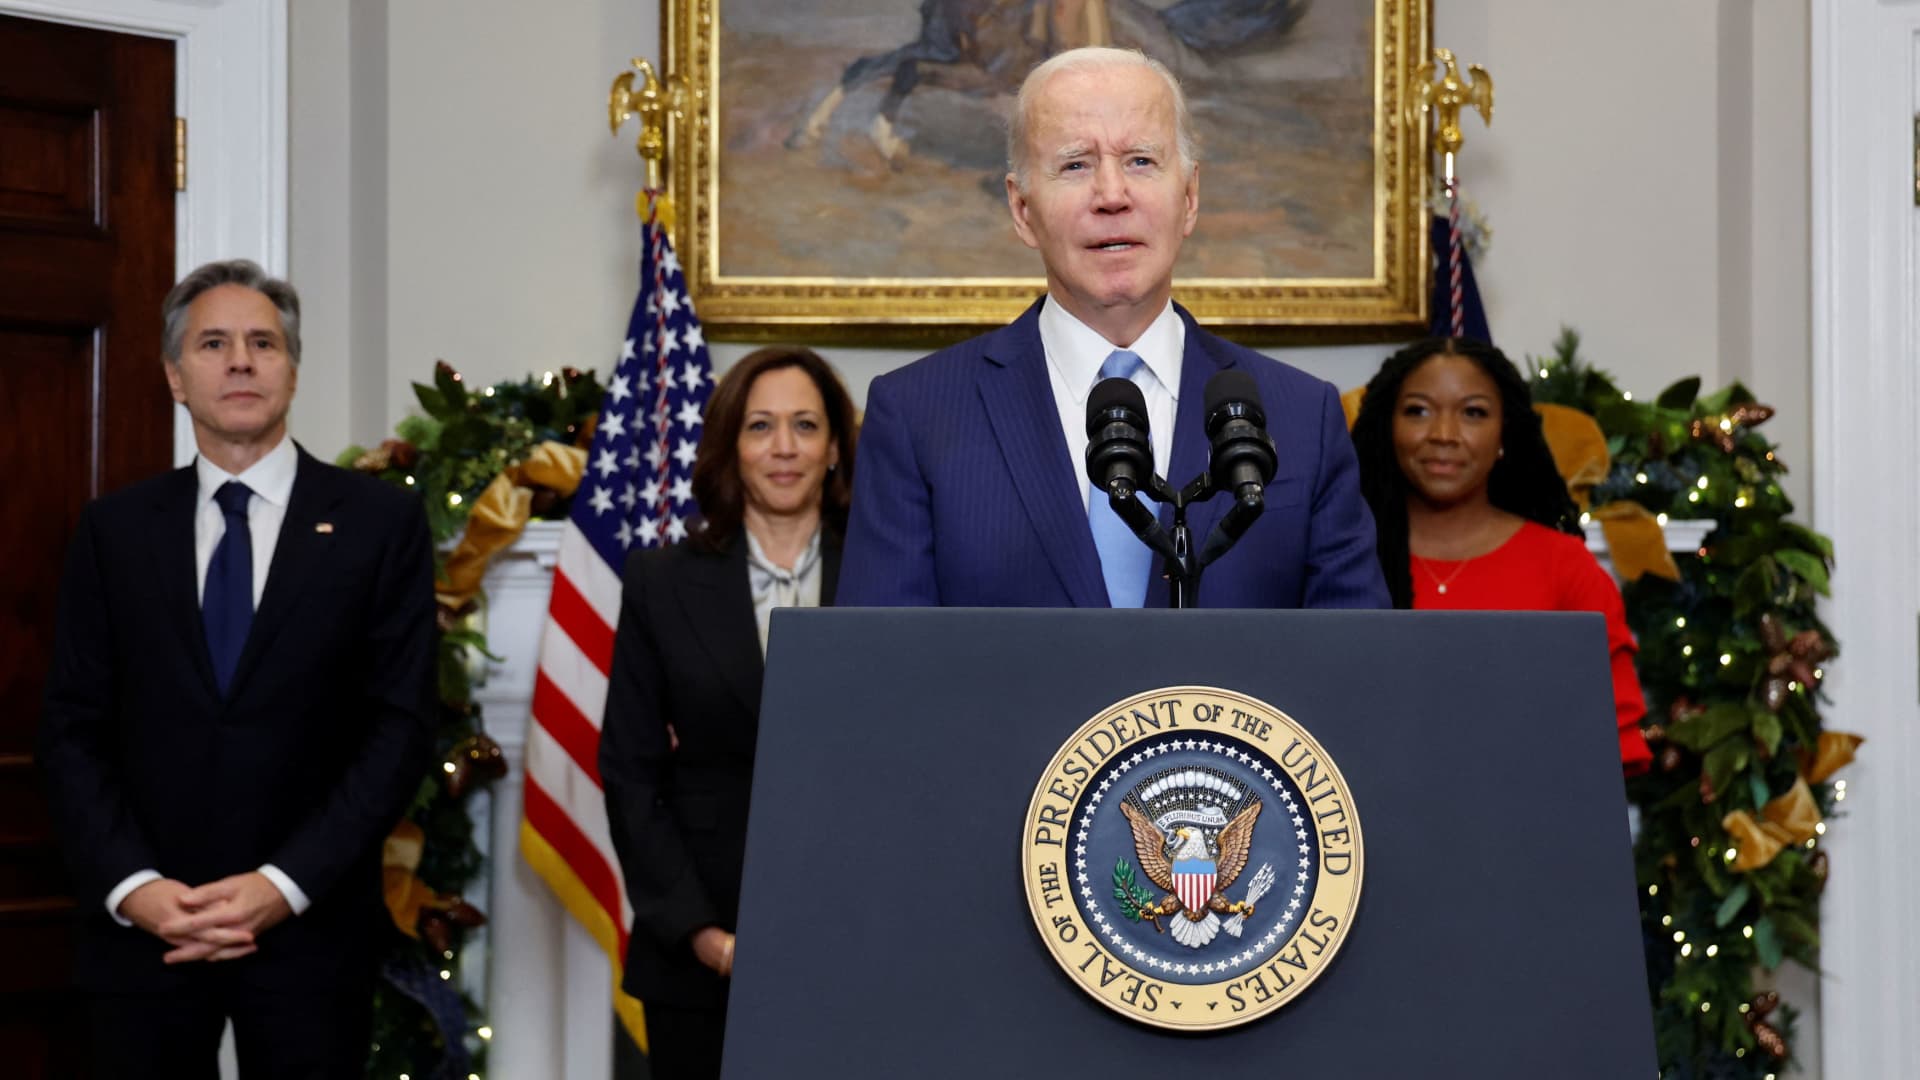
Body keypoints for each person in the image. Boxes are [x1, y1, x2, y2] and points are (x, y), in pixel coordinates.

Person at [38, 259, 437, 1075]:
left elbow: (398, 728)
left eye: (263, 343)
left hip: (310, 928)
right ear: (176, 377)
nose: (242, 361)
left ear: (292, 370)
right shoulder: (114, 531)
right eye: (214, 343)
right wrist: (134, 888)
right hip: (147, 933)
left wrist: (283, 885)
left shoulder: (378, 523)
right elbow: (73, 728)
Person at [838, 46, 1387, 609]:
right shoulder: (916, 414)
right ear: (1022, 209)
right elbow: (881, 675)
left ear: (1190, 197)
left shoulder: (1303, 416)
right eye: (1075, 164)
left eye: (1141, 161)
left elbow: (1355, 671)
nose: (1112, 195)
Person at [599, 346, 858, 1078]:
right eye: (760, 426)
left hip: (856, 941)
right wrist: (702, 936)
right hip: (699, 949)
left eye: (805, 426)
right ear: (729, 445)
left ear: (835, 446)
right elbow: (629, 771)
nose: (784, 448)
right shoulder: (662, 581)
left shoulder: (885, 571)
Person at [1350, 337, 1653, 773]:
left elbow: (1613, 748)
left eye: (1473, 412)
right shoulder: (1344, 561)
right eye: (1418, 410)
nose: (1443, 435)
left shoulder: (1565, 566)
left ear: (1504, 432)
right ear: (1387, 427)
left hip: (1533, 825)